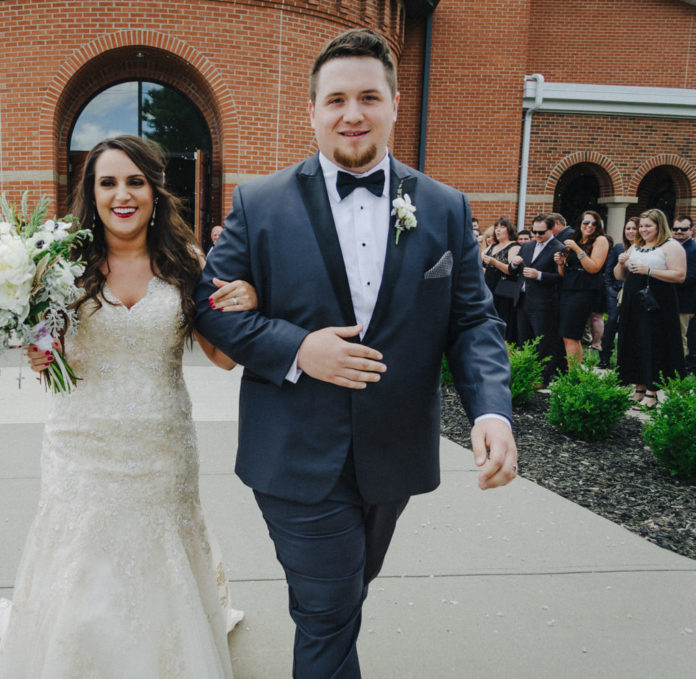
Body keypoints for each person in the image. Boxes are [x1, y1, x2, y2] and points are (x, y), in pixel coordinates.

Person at [194, 30, 516, 679]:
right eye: (336, 99)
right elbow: (208, 306)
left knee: (345, 593)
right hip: (292, 451)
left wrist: (491, 410)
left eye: (368, 97)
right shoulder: (259, 203)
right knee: (329, 608)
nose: (352, 113)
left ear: (395, 104)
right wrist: (298, 347)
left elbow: (472, 319)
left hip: (394, 453)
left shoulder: (445, 207)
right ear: (312, 111)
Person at [0, 135, 257, 679]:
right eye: (108, 182)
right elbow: (47, 349)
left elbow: (223, 358)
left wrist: (245, 303)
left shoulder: (186, 262)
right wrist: (39, 355)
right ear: (92, 192)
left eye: (135, 182)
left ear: (155, 191)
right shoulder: (59, 264)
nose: (122, 195)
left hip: (162, 445)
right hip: (80, 442)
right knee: (81, 549)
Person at [615, 209, 687, 410]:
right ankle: (639, 387)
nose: (643, 230)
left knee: (653, 343)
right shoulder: (636, 245)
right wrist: (621, 263)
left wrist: (650, 270)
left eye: (648, 226)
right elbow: (619, 276)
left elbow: (680, 275)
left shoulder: (671, 246)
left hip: (657, 301)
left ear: (659, 225)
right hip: (633, 300)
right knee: (634, 341)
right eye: (642, 226)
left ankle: (652, 392)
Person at [510, 214, 566, 381]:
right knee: (524, 340)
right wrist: (514, 263)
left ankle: (543, 377)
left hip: (544, 302)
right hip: (523, 299)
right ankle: (527, 374)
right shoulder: (528, 246)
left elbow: (561, 278)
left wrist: (539, 275)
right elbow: (513, 271)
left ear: (551, 230)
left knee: (544, 342)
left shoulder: (559, 248)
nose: (537, 235)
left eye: (541, 232)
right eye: (534, 232)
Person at [553, 210, 610, 364]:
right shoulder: (576, 239)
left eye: (594, 223)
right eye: (586, 222)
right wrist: (560, 263)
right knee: (566, 334)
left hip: (584, 291)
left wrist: (577, 249)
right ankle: (571, 371)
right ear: (580, 224)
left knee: (571, 334)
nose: (589, 226)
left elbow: (594, 268)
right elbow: (564, 274)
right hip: (568, 288)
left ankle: (573, 374)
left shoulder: (600, 240)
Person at [599, 217, 639, 369]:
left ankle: (624, 359)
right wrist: (610, 290)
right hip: (615, 292)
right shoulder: (618, 247)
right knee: (611, 321)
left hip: (633, 293)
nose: (630, 231)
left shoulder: (643, 249)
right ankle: (604, 357)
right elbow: (609, 271)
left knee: (627, 325)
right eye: (628, 228)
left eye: (634, 228)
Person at [480, 217, 520, 339]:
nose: (498, 230)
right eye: (496, 227)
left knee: (502, 318)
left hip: (503, 290)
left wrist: (494, 262)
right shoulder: (492, 246)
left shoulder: (514, 246)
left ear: (509, 230)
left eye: (502, 227)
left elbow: (511, 270)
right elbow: (481, 263)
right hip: (488, 287)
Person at [671, 215, 696, 368]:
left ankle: (677, 369)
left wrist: (665, 280)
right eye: (675, 228)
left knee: (679, 337)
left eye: (683, 229)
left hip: (684, 302)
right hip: (669, 300)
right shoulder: (671, 246)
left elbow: (691, 277)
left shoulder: (693, 250)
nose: (679, 231)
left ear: (692, 230)